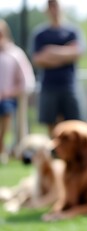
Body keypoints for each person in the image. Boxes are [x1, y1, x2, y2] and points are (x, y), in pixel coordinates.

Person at [31, 0, 87, 137]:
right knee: (51, 125)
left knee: (75, 123)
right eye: (50, 6)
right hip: (49, 86)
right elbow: (38, 59)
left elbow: (78, 52)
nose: (53, 9)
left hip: (69, 85)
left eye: (56, 5)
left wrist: (50, 51)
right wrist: (65, 54)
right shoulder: (40, 34)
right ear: (46, 10)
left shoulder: (72, 31)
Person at [0, 20, 35, 164]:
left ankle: (2, 147)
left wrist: (8, 92)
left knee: (6, 109)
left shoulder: (15, 54)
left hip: (9, 99)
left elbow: (27, 82)